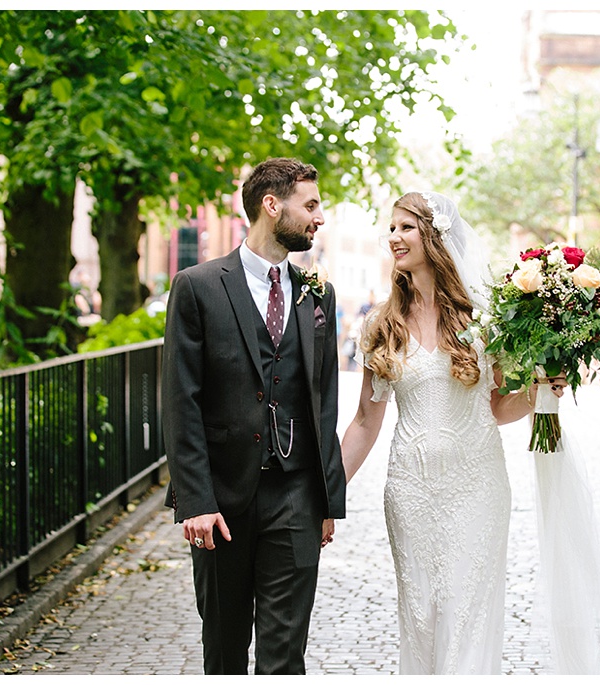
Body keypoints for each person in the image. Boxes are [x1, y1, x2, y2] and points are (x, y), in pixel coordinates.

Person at [341, 191, 578, 674]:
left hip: (477, 486)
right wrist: (325, 493)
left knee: (467, 614)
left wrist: (539, 391)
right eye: (391, 228)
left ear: (435, 234)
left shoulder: (484, 319)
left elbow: (497, 406)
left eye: (405, 227)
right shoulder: (380, 326)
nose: (394, 237)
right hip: (410, 490)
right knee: (422, 617)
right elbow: (366, 421)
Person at [161, 157, 346, 675]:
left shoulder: (318, 295)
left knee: (285, 653)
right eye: (310, 205)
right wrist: (195, 500)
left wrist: (327, 498)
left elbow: (323, 399)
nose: (319, 217)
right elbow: (181, 401)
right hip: (221, 500)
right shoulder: (197, 286)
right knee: (223, 648)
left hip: (296, 496)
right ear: (272, 204)